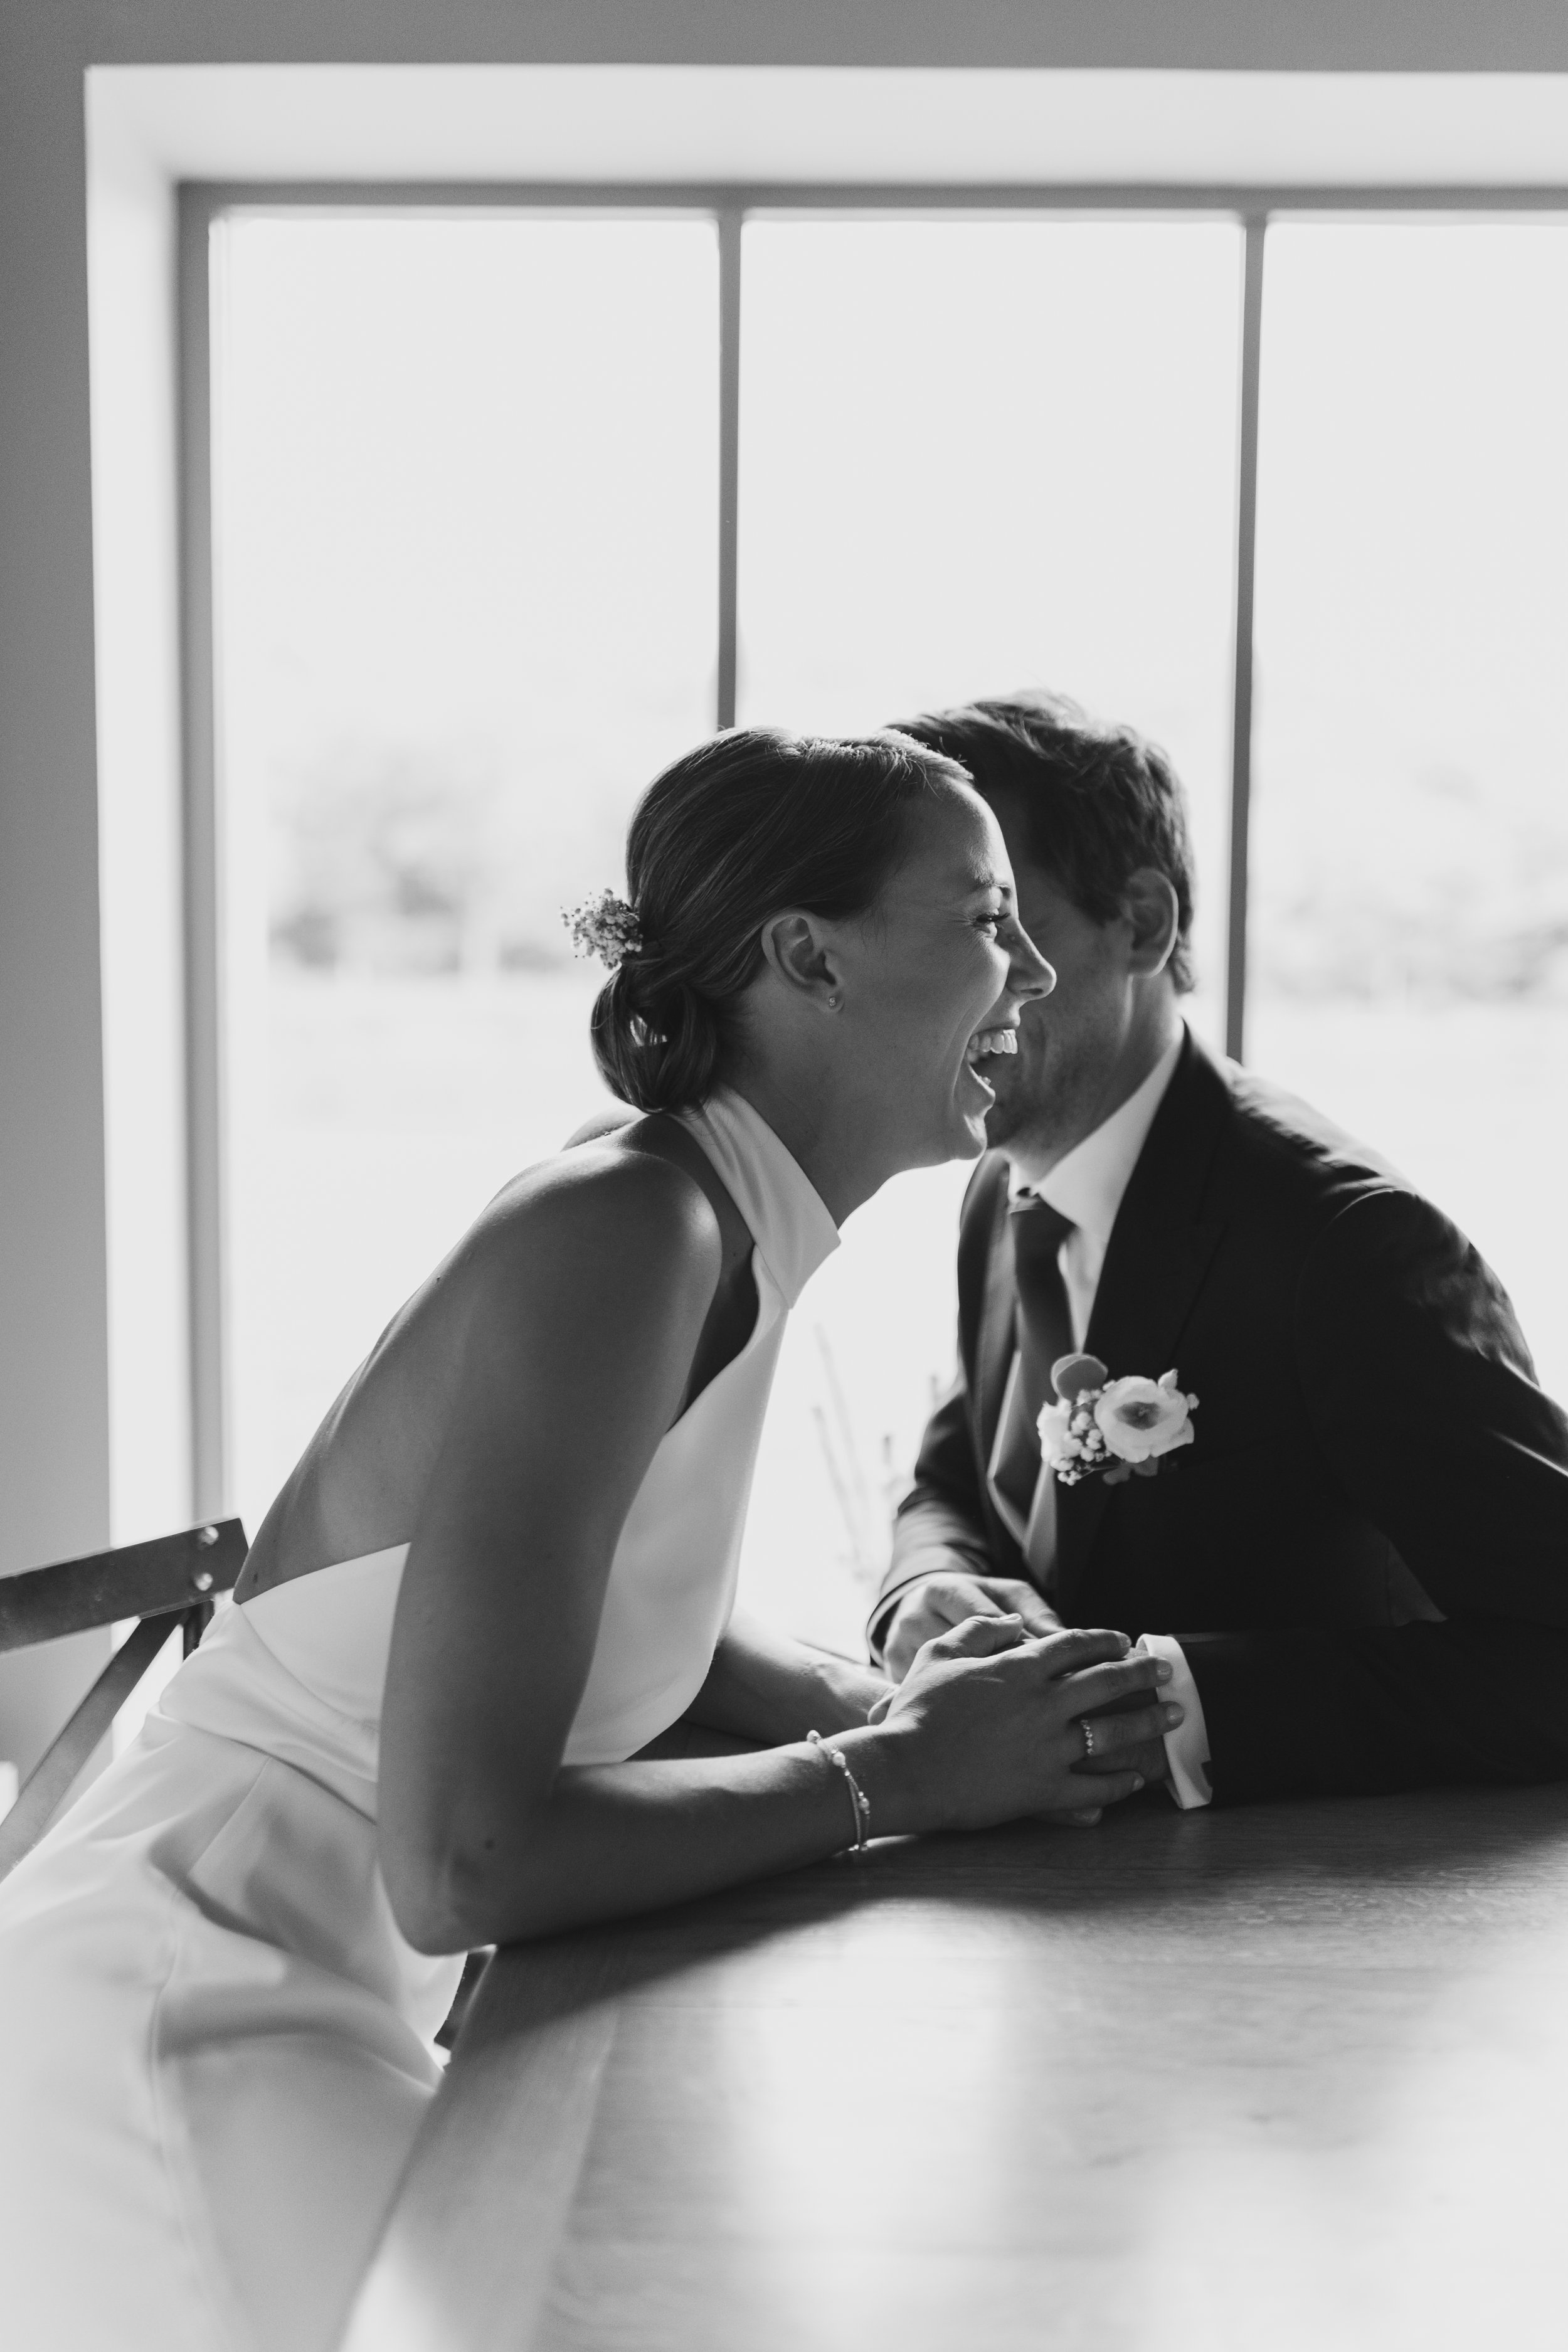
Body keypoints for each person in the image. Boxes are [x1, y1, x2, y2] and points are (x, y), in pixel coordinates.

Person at [0, 725, 1179, 2352]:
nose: (1036, 968)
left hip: (335, 1985)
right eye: (985, 915)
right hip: (185, 1998)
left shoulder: (723, 1215)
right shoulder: (628, 1232)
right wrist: (899, 1772)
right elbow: (462, 1861)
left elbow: (637, 1621)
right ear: (804, 957)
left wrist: (900, 1692)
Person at [870, 692, 1568, 1808]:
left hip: (1274, 1926)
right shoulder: (1004, 1182)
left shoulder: (1348, 1245)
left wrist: (1166, 1705)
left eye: (994, 922)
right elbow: (955, 1475)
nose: (946, 990)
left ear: (1141, 923)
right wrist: (927, 1587)